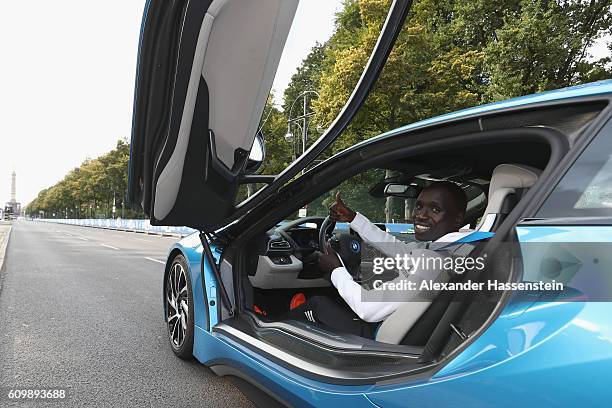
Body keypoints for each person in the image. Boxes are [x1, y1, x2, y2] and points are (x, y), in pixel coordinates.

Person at [288, 181, 468, 338]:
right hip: (405, 329)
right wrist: (353, 219)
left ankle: (274, 331)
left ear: (458, 219)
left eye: (435, 209)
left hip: (380, 337)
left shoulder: (431, 262)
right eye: (419, 206)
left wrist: (335, 270)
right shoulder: (454, 250)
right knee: (339, 301)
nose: (421, 215)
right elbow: (400, 249)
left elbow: (368, 310)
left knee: (317, 305)